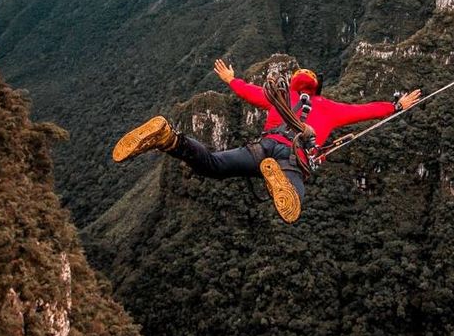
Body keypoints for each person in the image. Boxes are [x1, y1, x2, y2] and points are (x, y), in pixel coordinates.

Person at [112, 59, 421, 223]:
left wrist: (231, 79)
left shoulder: (280, 97)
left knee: (215, 165)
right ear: (318, 90)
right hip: (291, 155)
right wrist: (396, 106)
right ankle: (282, 181)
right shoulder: (330, 108)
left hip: (262, 147)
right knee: (293, 197)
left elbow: (249, 92)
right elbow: (365, 111)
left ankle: (169, 139)